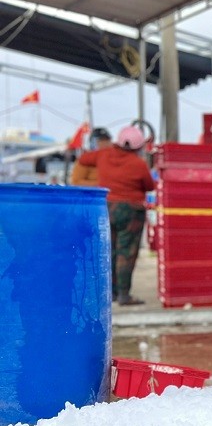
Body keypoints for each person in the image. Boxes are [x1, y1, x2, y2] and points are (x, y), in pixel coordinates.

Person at [77, 125, 156, 305]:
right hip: (131, 211)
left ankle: (110, 293)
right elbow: (149, 185)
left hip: (107, 208)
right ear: (138, 147)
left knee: (109, 251)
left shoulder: (103, 154)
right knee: (126, 253)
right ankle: (124, 294)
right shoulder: (138, 164)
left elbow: (83, 158)